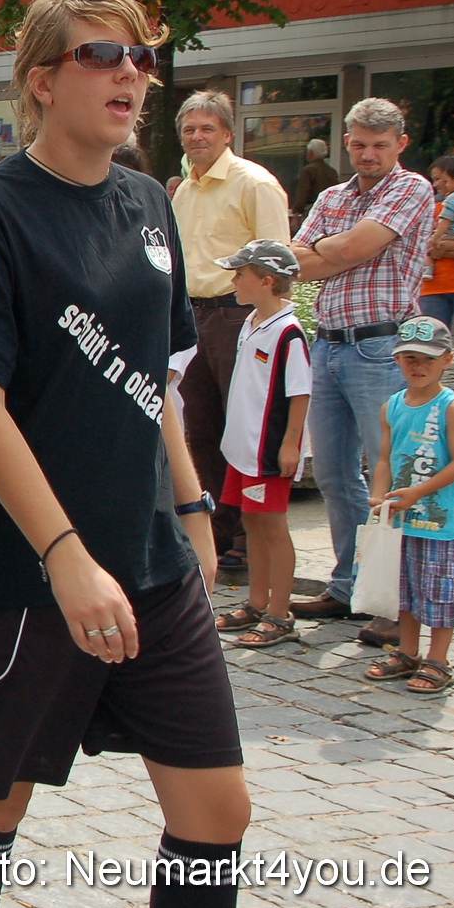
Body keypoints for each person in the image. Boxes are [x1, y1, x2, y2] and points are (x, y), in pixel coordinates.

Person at [0, 0, 247, 908]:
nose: (129, 74)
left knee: (217, 808)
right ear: (39, 81)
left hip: (148, 557)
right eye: (100, 55)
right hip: (23, 572)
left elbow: (161, 379)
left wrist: (190, 508)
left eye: (139, 55)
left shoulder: (148, 200)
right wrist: (64, 557)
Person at [287, 98, 434, 648]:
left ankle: (398, 603)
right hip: (327, 345)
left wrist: (333, 250)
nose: (368, 155)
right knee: (332, 477)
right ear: (345, 142)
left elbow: (345, 248)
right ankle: (350, 586)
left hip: (381, 346)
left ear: (400, 144)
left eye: (379, 145)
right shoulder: (332, 194)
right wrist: (337, 252)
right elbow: (298, 264)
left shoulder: (412, 188)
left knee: (392, 479)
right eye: (359, 144)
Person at [170, 90, 291, 571]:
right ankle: (213, 532)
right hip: (193, 316)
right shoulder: (183, 190)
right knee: (198, 428)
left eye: (207, 129)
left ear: (227, 133)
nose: (197, 137)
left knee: (244, 429)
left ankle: (246, 536)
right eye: (189, 130)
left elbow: (278, 262)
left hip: (239, 317)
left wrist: (264, 322)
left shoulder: (254, 183)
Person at [208, 240, 310, 648]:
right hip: (243, 447)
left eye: (240, 275)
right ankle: (256, 600)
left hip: (267, 450)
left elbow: (299, 392)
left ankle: (279, 612)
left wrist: (290, 444)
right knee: (251, 523)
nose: (233, 281)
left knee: (271, 526)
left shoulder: (288, 332)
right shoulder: (252, 323)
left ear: (267, 282)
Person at [363, 317, 454, 695]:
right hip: (402, 520)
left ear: (446, 360)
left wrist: (419, 492)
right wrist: (379, 494)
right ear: (397, 360)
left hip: (441, 521)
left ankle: (438, 658)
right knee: (403, 589)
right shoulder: (392, 406)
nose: (418, 367)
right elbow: (384, 458)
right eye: (409, 358)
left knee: (438, 591)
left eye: (427, 359)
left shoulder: (450, 407)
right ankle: (407, 650)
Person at [419, 155, 454, 328]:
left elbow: (432, 246)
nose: (435, 185)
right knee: (431, 345)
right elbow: (420, 245)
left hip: (440, 284)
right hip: (431, 288)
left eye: (438, 179)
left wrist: (442, 248)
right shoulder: (428, 207)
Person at [291, 137, 340, 229]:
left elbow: (302, 192)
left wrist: (296, 214)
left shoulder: (309, 170)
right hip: (330, 211)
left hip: (312, 210)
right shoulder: (331, 171)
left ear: (310, 153)